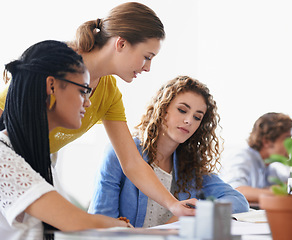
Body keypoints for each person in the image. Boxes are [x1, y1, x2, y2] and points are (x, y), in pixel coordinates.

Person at [0, 2, 195, 216]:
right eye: (147, 56)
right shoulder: (57, 62)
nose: (148, 67)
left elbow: (131, 162)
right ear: (121, 44)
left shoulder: (109, 92)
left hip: (32, 168)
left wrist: (173, 204)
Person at [0, 40, 132, 240]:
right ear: (51, 86)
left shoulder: (41, 158)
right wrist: (120, 227)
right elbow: (75, 223)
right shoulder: (3, 157)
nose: (88, 102)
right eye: (83, 91)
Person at [88, 76, 249, 228]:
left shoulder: (191, 165)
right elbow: (102, 220)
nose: (189, 121)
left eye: (197, 117)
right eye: (182, 110)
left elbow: (239, 202)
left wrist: (193, 213)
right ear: (162, 108)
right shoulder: (122, 152)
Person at [220, 112, 292, 204]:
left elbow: (288, 185)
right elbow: (235, 191)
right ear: (267, 141)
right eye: (287, 139)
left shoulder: (270, 167)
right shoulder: (242, 157)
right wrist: (278, 192)